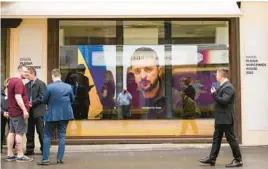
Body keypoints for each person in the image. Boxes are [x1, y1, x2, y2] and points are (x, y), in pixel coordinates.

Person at [199, 68, 243, 167]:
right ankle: (212, 159)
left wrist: (214, 94)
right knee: (216, 139)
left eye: (217, 74)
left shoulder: (228, 87)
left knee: (231, 139)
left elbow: (224, 101)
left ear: (221, 75)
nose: (215, 76)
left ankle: (238, 160)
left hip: (226, 119)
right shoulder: (223, 86)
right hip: (221, 118)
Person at [38, 69, 74, 165]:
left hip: (52, 115)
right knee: (62, 136)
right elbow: (72, 99)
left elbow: (44, 100)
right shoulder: (68, 87)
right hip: (65, 115)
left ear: (52, 76)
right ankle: (60, 159)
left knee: (47, 136)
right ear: (60, 76)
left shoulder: (49, 87)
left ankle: (45, 159)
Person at [129, 47, 166, 119]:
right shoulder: (129, 98)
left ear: (159, 71)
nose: (143, 76)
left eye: (148, 69)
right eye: (137, 71)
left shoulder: (176, 99)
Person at [6, 65, 33, 162]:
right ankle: (20, 155)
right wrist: (25, 110)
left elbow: (12, 97)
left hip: (12, 112)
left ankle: (10, 154)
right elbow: (18, 97)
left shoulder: (12, 81)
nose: (27, 74)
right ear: (20, 71)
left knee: (11, 132)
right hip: (19, 112)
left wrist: (26, 103)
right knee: (19, 133)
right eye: (26, 71)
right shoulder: (18, 82)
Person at [24, 67, 47, 155]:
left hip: (39, 112)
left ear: (33, 74)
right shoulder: (26, 85)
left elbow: (42, 97)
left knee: (40, 131)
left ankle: (44, 149)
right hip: (29, 112)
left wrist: (32, 103)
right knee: (29, 131)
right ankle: (30, 149)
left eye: (28, 74)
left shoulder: (41, 84)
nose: (27, 76)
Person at [1, 78, 10, 153]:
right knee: (1, 130)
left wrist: (10, 112)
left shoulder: (13, 93)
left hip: (11, 114)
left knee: (12, 131)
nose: (9, 85)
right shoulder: (1, 93)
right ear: (5, 84)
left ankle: (11, 149)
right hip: (2, 114)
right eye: (8, 83)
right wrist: (3, 112)